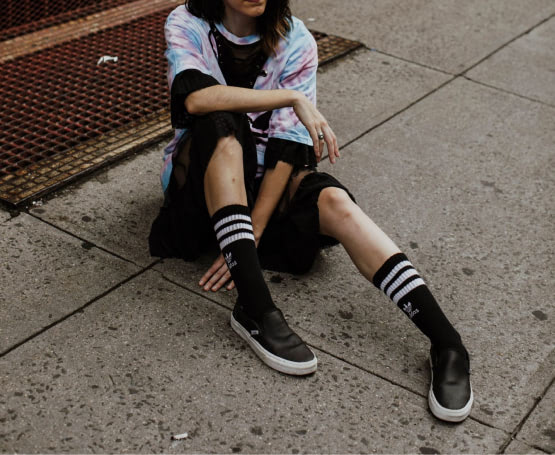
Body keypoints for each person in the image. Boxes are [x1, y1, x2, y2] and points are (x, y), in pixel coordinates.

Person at [149, 0, 473, 422]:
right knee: (220, 121)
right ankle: (256, 309)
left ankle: (447, 344)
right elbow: (196, 99)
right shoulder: (187, 22)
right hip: (201, 186)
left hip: (261, 194)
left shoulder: (295, 37)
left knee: (335, 201)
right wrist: (290, 96)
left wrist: (254, 230)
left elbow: (288, 148)